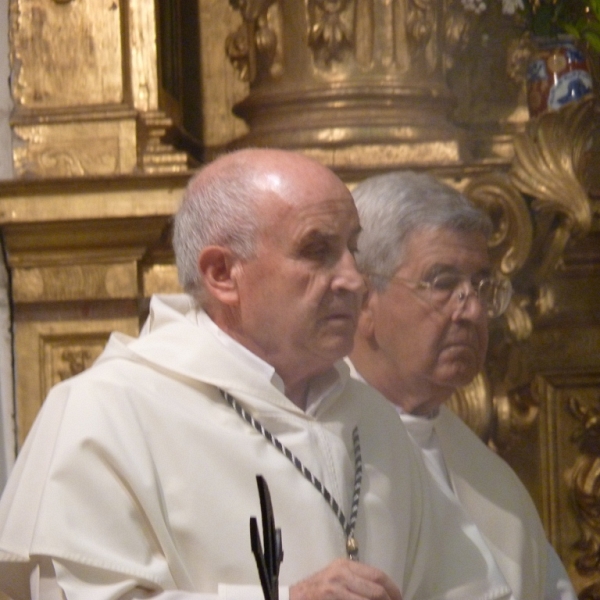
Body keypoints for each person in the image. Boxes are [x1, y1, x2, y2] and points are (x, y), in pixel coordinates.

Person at [0, 149, 486, 600]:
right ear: (222, 274)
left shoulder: (374, 419)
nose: (354, 279)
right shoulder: (107, 412)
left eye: (352, 249)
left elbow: (460, 587)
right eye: (317, 251)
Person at [348, 171, 577, 600]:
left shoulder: (490, 479)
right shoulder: (318, 447)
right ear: (362, 301)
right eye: (443, 283)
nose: (472, 310)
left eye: (481, 285)